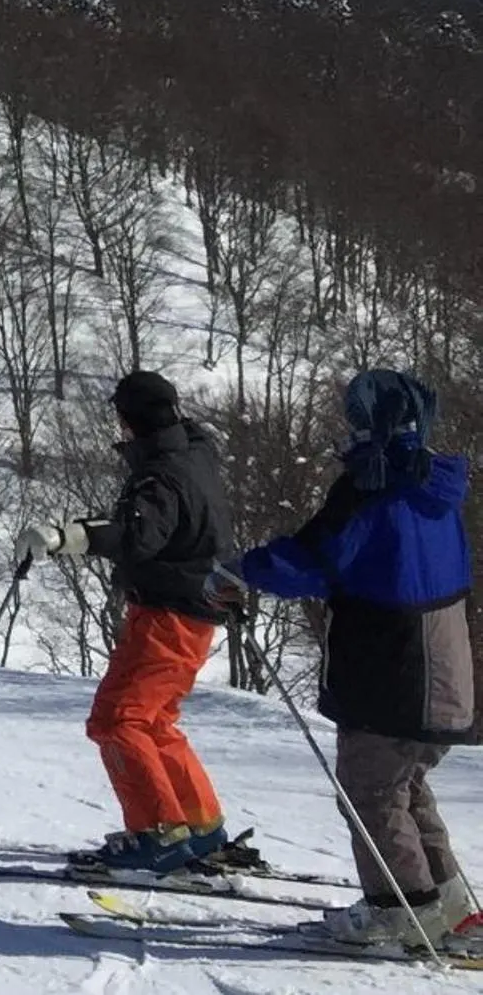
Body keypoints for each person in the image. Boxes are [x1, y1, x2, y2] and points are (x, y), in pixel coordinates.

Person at [227, 370, 479, 951]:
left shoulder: (372, 486)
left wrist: (240, 570)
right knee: (403, 785)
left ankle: (402, 911)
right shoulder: (437, 484)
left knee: (370, 791)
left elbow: (313, 560)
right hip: (445, 664)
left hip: (392, 666)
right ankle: (450, 908)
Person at [20, 370, 240, 875]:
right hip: (195, 606)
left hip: (168, 609)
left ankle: (158, 833)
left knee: (118, 719)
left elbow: (140, 534)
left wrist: (69, 537)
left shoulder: (162, 472)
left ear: (126, 419)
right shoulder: (194, 453)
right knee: (153, 719)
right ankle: (198, 825)